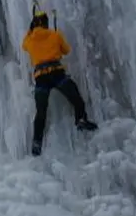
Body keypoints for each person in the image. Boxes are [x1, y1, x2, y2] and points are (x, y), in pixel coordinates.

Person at [20, 10, 97, 155]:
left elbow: (24, 46)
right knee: (76, 99)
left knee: (41, 112)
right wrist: (56, 41)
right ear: (46, 23)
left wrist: (30, 31)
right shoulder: (55, 35)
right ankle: (80, 120)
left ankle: (37, 143)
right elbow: (66, 51)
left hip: (41, 78)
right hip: (57, 74)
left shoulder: (29, 40)